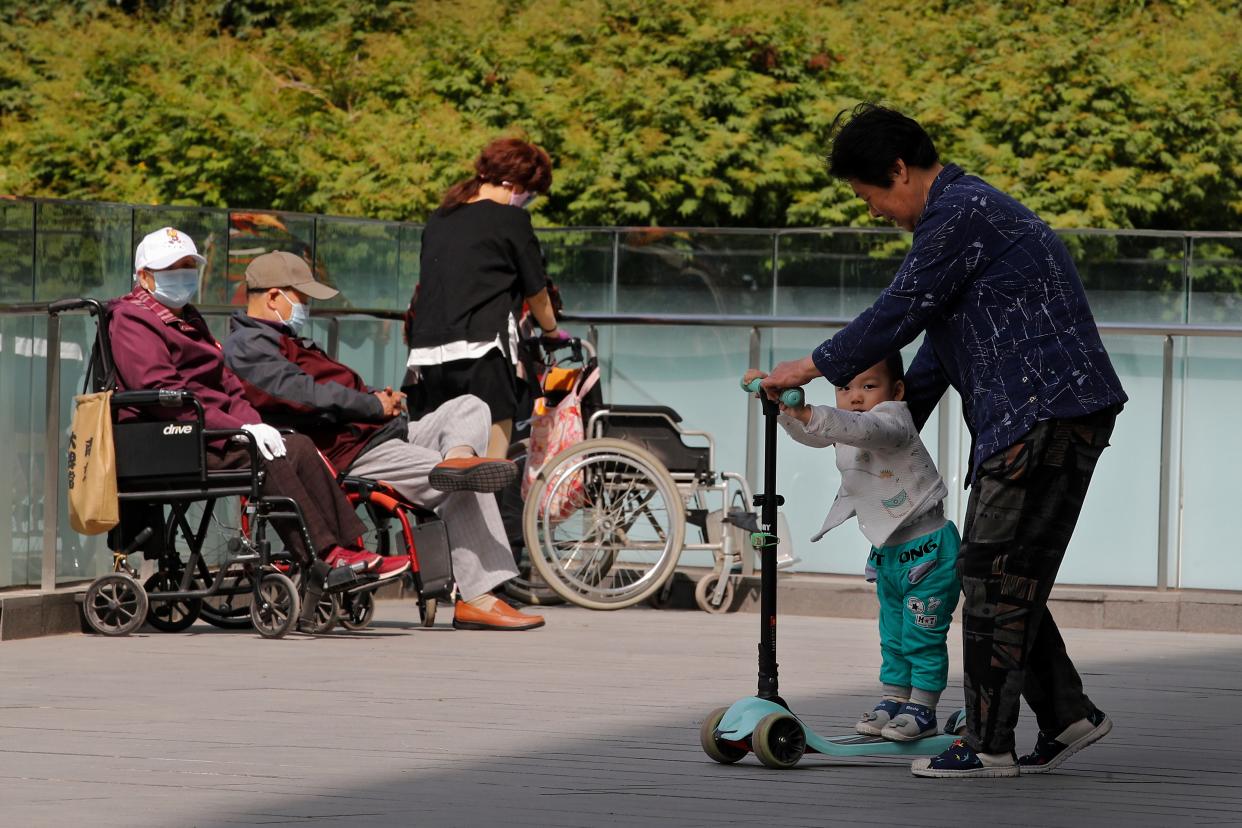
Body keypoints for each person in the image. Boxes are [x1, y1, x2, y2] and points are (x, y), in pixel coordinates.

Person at [761, 104, 1128, 778]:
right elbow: (931, 351)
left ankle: (989, 746)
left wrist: (808, 366)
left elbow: (896, 312)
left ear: (899, 169)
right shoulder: (965, 214)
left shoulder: (960, 213)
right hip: (1046, 414)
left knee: (988, 573)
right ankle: (1068, 714)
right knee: (1005, 570)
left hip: (1043, 414)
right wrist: (881, 433)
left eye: (868, 193)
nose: (872, 208)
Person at [223, 251, 546, 631]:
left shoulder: (285, 338)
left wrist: (381, 399)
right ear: (274, 297)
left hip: (380, 432)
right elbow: (301, 393)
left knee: (470, 406)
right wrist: (372, 405)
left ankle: (458, 457)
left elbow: (333, 388)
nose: (305, 307)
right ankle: (477, 598)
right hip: (354, 449)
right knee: (460, 482)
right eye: (303, 298)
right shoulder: (248, 345)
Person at [108, 228, 408, 614]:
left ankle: (349, 551)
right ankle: (325, 556)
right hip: (176, 436)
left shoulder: (187, 318)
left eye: (188, 267)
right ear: (145, 275)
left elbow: (228, 384)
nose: (182, 275)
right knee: (270, 459)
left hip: (209, 428)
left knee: (295, 444)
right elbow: (163, 394)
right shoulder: (133, 320)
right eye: (172, 268)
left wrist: (252, 423)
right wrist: (234, 429)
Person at [746, 354, 960, 743]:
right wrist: (782, 407)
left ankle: (924, 707)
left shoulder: (893, 420)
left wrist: (809, 409)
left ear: (895, 391)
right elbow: (814, 433)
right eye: (845, 388)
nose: (856, 397)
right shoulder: (847, 426)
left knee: (922, 635)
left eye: (868, 386)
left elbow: (862, 428)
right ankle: (895, 699)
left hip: (929, 549)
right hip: (891, 553)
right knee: (892, 635)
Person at [404, 137, 564, 458]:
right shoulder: (512, 220)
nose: (527, 203)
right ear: (515, 186)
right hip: (483, 355)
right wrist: (551, 332)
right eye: (529, 196)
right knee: (487, 466)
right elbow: (537, 293)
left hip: (427, 357)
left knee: (443, 461)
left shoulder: (440, 218)